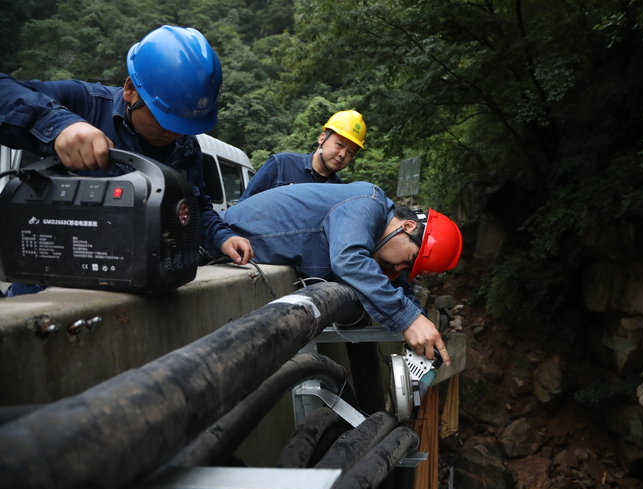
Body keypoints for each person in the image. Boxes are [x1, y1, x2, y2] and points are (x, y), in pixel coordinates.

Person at [0, 26, 253, 296]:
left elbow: (193, 206)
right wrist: (58, 125)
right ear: (131, 90)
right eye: (164, 119)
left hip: (133, 290)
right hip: (50, 288)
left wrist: (223, 237)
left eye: (185, 125)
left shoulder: (186, 146)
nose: (174, 133)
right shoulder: (85, 103)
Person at [222, 181, 463, 363]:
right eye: (408, 259)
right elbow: (348, 260)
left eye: (409, 269)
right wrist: (407, 318)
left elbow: (398, 284)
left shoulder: (381, 241)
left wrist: (421, 319)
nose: (400, 269)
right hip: (217, 242)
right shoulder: (368, 202)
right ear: (407, 226)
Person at [237, 110, 366, 202]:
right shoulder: (282, 164)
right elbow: (245, 204)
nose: (342, 154)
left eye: (350, 152)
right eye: (339, 145)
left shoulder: (340, 192)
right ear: (322, 139)